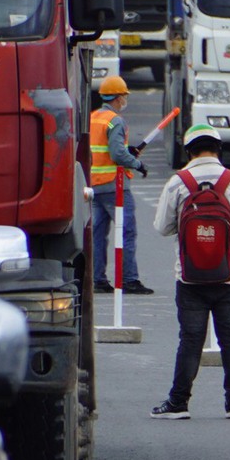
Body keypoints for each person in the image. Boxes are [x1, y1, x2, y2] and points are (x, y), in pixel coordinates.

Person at [151, 124, 230, 419]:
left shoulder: (178, 182)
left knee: (190, 339)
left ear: (189, 151)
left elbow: (162, 227)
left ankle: (178, 402)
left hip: (190, 276)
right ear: (218, 148)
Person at [88, 75, 153, 295]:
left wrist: (127, 152)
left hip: (94, 185)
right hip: (113, 187)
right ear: (118, 97)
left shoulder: (94, 117)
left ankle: (97, 279)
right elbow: (116, 153)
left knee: (98, 235)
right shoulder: (115, 121)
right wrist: (137, 163)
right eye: (124, 96)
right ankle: (129, 279)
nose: (125, 100)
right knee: (127, 232)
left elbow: (105, 149)